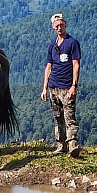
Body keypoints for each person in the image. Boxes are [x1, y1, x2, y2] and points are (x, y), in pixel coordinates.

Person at [41, 13, 81, 157]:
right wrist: (45, 87)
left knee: (69, 116)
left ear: (65, 24)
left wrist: (74, 85)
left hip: (66, 87)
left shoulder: (72, 43)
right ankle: (60, 145)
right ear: (53, 27)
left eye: (61, 25)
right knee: (58, 117)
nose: (59, 27)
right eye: (56, 25)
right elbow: (48, 67)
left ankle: (73, 144)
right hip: (53, 87)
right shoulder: (52, 45)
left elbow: (76, 65)